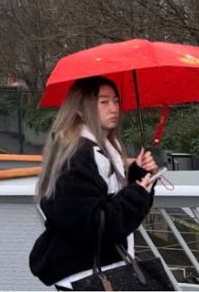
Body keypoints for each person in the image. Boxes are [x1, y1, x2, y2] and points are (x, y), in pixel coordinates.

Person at [28, 77, 160, 290]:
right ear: (81, 109)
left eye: (116, 101)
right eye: (104, 102)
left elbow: (107, 201)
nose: (114, 108)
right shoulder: (77, 156)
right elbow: (95, 224)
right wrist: (137, 194)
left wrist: (138, 175)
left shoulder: (103, 149)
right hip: (84, 274)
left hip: (98, 268)